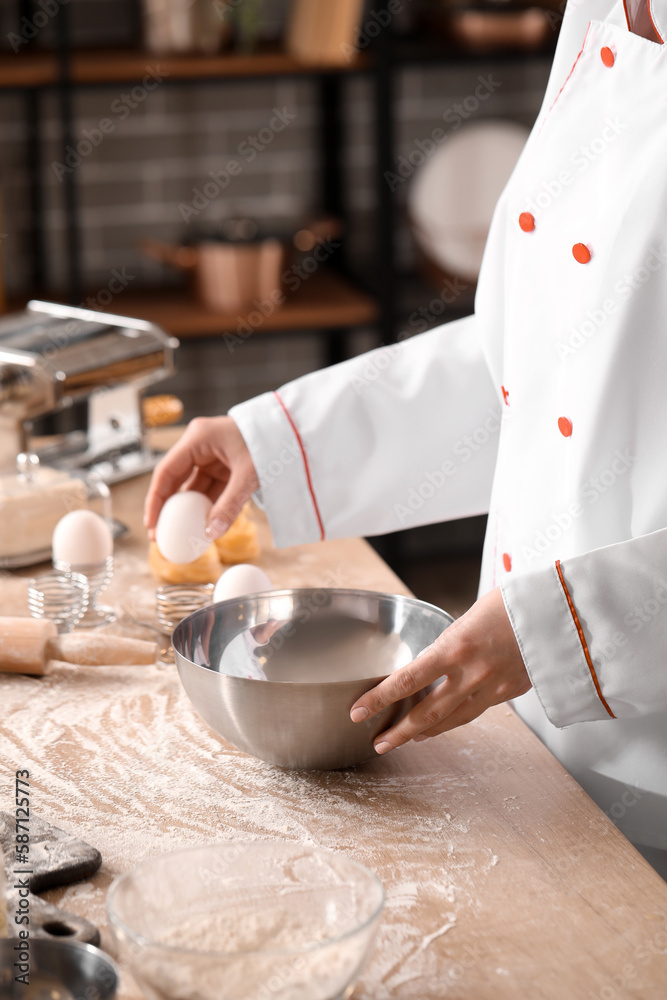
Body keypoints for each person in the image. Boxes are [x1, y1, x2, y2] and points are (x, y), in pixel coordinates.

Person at [145, 0, 667, 877]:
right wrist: (276, 441)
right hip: (547, 735)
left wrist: (570, 627)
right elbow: (544, 355)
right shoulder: (601, 14)